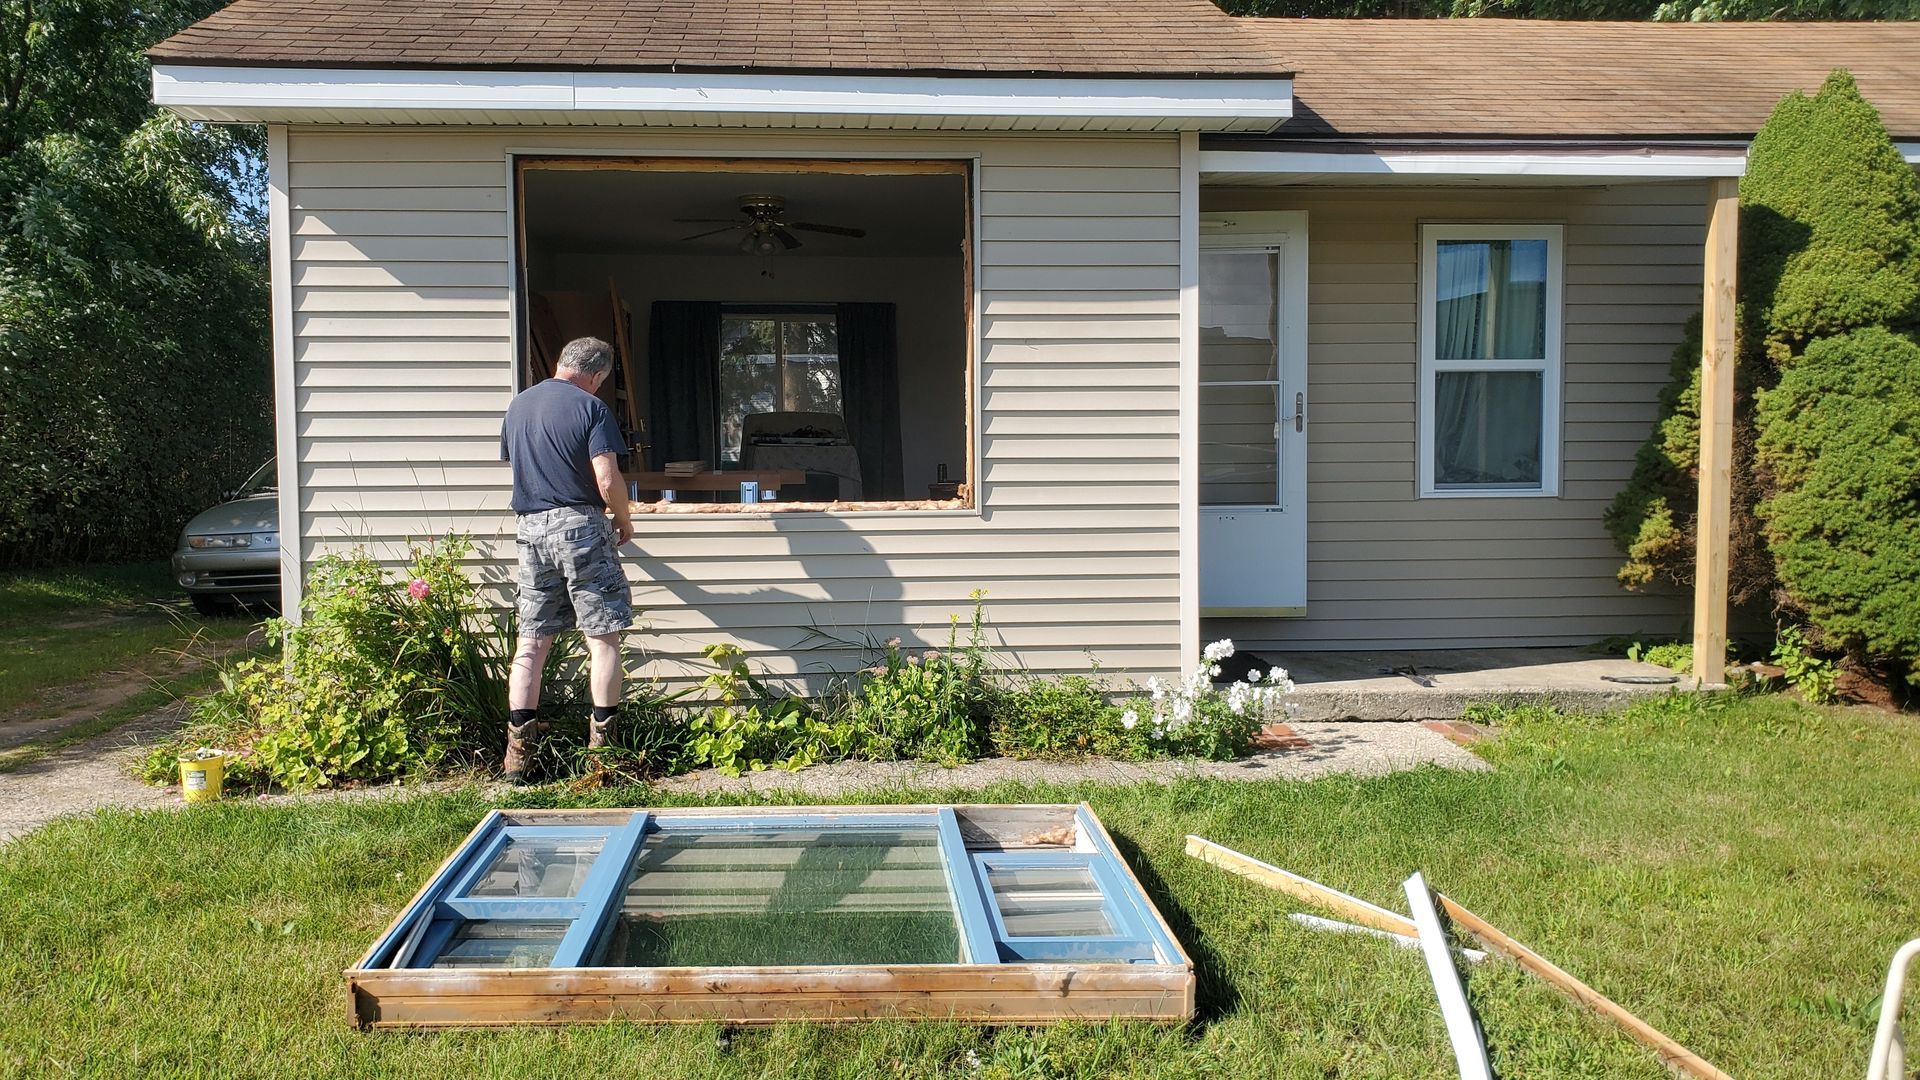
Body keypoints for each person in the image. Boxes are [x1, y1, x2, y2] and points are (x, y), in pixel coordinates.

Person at [499, 337, 634, 783]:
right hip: (580, 526)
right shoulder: (591, 408)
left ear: (561, 363)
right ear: (596, 376)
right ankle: (602, 757)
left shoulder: (519, 406)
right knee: (602, 637)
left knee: (532, 642)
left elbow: (521, 467)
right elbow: (606, 476)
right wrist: (623, 518)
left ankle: (518, 759)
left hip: (530, 529)